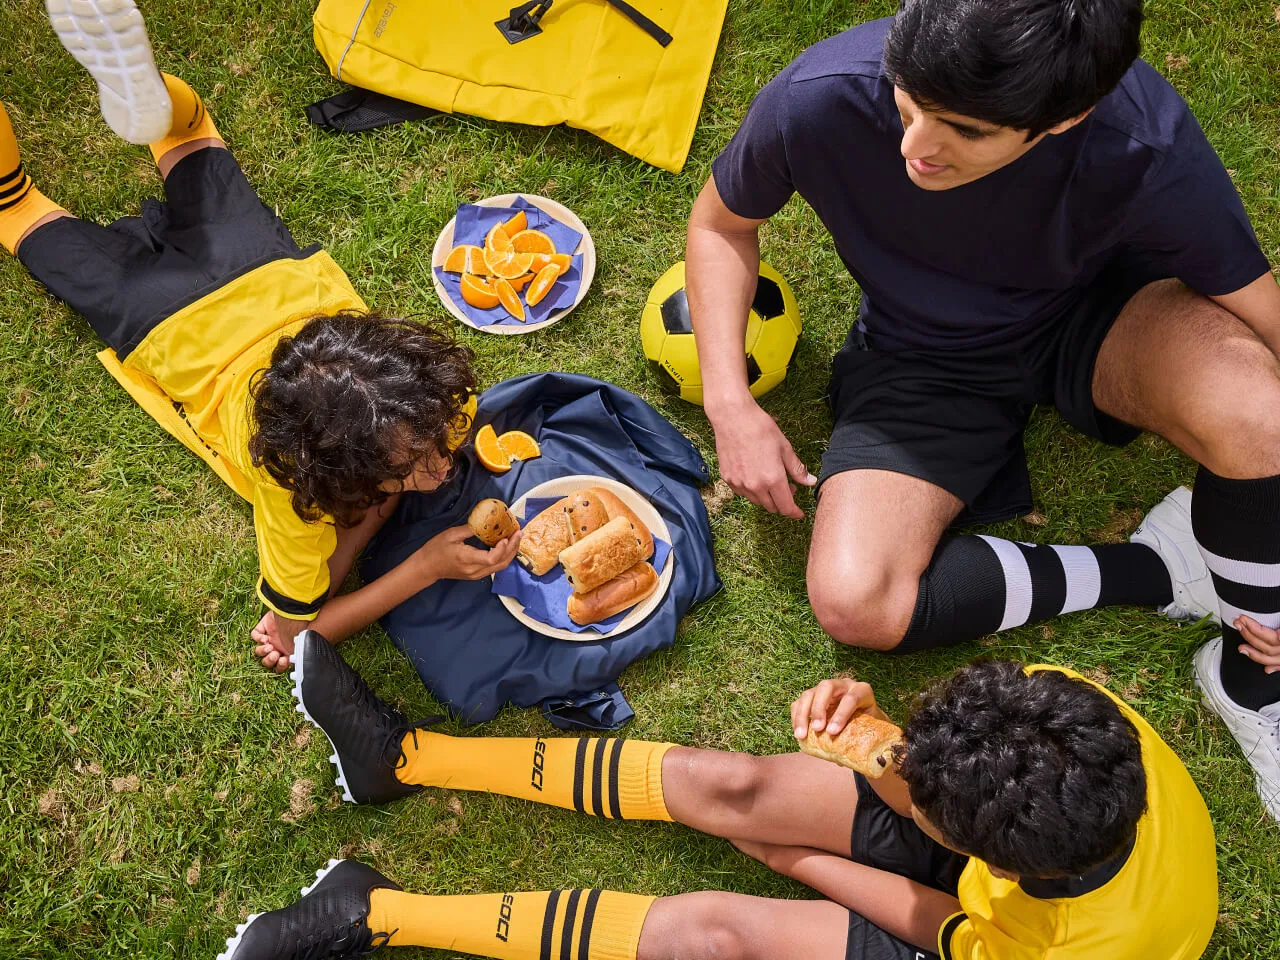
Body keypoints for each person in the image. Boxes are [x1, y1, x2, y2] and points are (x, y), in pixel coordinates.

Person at [684, 0, 1280, 819]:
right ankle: (1162, 566)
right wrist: (729, 404)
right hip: (921, 357)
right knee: (856, 600)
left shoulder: (1143, 140)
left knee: (1260, 413)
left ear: (1066, 118)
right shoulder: (820, 93)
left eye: (962, 129)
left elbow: (1254, 303)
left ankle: (1254, 680)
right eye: (908, 100)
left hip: (1103, 319)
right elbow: (721, 222)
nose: (915, 146)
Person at [2, 0, 520, 672]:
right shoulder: (297, 490)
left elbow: (297, 619)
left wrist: (372, 512)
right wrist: (419, 561)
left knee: (169, 144)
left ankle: (153, 106)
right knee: (50, 199)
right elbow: (293, 634)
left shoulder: (427, 416)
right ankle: (153, 106)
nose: (444, 466)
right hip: (177, 314)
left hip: (249, 277)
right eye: (414, 465)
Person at [214, 632, 1216, 960]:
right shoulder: (1060, 705)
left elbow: (945, 919)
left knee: (710, 935)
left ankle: (376, 914)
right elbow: (935, 764)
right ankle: (407, 758)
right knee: (721, 783)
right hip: (1023, 848)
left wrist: (804, 863)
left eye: (914, 795)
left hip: (1001, 935)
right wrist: (872, 726)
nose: (891, 771)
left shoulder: (1070, 946)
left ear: (985, 857)